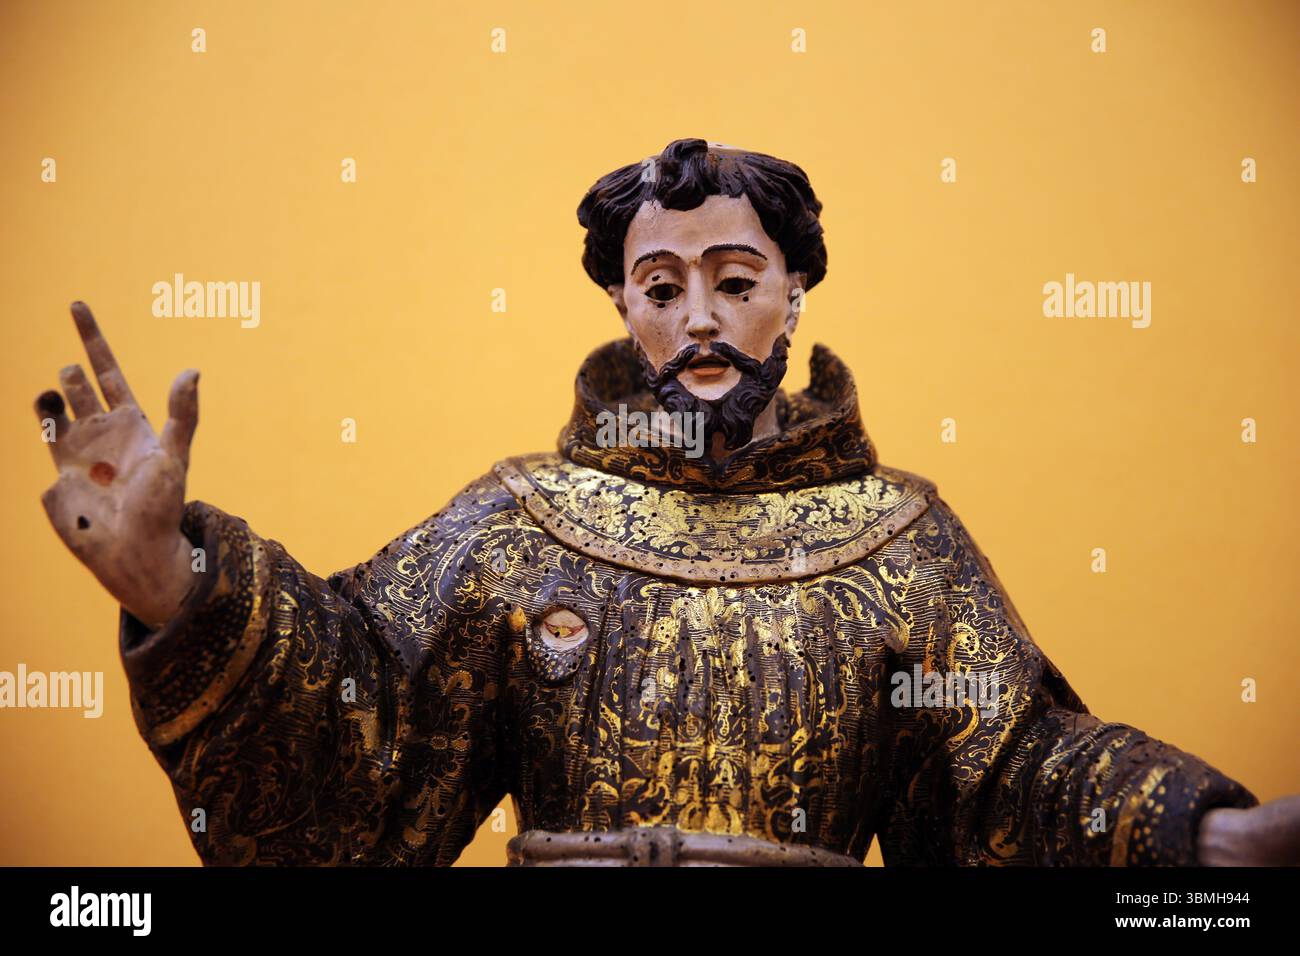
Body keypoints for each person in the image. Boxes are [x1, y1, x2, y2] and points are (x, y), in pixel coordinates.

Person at [33, 138, 1296, 865]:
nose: (699, 315)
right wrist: (177, 591)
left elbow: (1014, 773)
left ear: (793, 292)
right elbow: (361, 739)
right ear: (623, 307)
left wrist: (1197, 835)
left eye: (735, 277)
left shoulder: (901, 542)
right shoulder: (523, 525)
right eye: (659, 284)